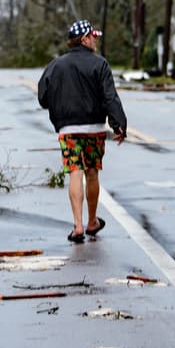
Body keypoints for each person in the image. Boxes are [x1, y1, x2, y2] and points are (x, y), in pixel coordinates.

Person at [37, 19, 128, 243]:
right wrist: (119, 124)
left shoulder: (56, 65)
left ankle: (77, 226)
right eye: (93, 36)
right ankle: (92, 221)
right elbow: (110, 97)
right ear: (84, 39)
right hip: (94, 129)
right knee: (92, 172)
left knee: (75, 172)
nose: (95, 40)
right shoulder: (100, 65)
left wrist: (59, 108)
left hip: (68, 130)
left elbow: (42, 97)